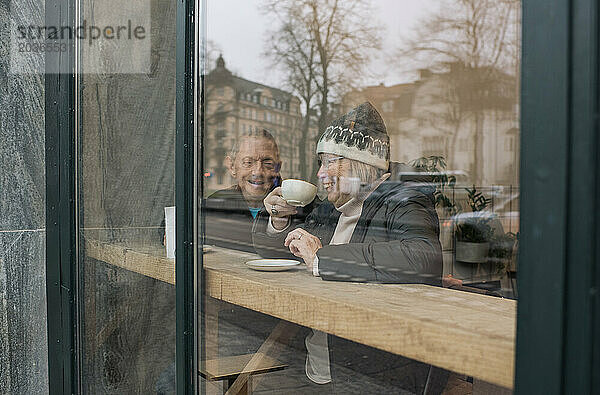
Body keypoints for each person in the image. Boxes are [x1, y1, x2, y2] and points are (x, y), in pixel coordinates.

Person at [252, 102, 445, 393]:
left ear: (361, 163)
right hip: (315, 369)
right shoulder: (332, 208)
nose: (320, 174)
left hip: (372, 375)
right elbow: (280, 255)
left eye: (330, 162)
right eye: (321, 163)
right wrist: (278, 222)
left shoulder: (405, 194)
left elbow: (423, 257)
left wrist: (323, 258)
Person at [204, 129, 283, 252]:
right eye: (248, 162)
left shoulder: (299, 204)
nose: (258, 172)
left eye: (267, 163)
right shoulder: (217, 202)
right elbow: (177, 225)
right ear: (232, 166)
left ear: (278, 167)